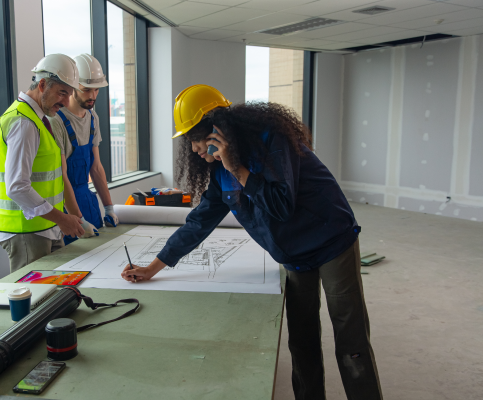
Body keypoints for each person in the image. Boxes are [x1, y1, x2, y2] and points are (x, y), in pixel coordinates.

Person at [121, 84, 383, 400]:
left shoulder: (272, 141)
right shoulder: (219, 174)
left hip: (330, 242)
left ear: (216, 130)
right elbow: (199, 222)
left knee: (350, 340)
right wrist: (153, 267)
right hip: (294, 255)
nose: (192, 149)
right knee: (302, 341)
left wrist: (239, 169)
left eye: (193, 139)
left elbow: (281, 206)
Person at [0, 54, 85, 273]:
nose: (64, 102)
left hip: (44, 227)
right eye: (61, 93)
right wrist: (62, 218)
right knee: (36, 301)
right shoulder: (24, 122)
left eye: (69, 94)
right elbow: (17, 187)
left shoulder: (40, 119)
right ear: (42, 85)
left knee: (56, 297)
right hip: (26, 231)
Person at [48, 54, 119, 243]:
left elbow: (96, 168)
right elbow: (61, 176)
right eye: (87, 90)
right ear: (72, 88)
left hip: (88, 200)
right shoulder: (57, 121)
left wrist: (108, 207)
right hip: (66, 206)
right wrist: (78, 220)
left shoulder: (93, 118)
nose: (93, 96)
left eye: (96, 90)